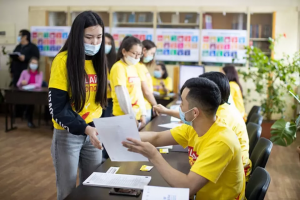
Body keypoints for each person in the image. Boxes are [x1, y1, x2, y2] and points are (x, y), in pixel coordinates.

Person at [123, 77, 245, 200]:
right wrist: (119, 136)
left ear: (195, 113)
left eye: (182, 104)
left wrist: (154, 156)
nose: (179, 108)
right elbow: (156, 137)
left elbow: (188, 187)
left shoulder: (221, 141)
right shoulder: (195, 127)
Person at [48, 11, 107, 200]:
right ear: (77, 36)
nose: (95, 43)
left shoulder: (99, 61)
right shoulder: (63, 61)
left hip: (94, 134)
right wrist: (84, 128)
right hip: (68, 136)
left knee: (92, 187)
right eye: (89, 37)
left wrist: (97, 129)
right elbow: (57, 109)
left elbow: (100, 103)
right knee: (67, 192)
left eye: (99, 37)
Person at [154, 72, 251, 179]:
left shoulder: (222, 120)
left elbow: (190, 184)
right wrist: (167, 111)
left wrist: (154, 156)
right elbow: (191, 115)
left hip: (230, 175)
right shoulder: (219, 109)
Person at [110, 36, 146, 130]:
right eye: (134, 53)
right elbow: (122, 94)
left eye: (140, 54)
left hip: (135, 116)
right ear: (124, 51)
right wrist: (130, 116)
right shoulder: (118, 67)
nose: (137, 57)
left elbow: (138, 92)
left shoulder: (133, 67)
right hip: (122, 116)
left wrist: (143, 113)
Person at [17, 57, 43, 128]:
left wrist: (30, 85)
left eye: (35, 63)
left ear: (38, 65)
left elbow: (39, 84)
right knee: (28, 102)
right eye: (32, 63)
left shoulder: (40, 73)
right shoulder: (24, 72)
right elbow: (18, 83)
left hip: (36, 94)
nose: (34, 65)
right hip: (25, 93)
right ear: (29, 64)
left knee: (31, 103)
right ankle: (28, 119)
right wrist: (22, 82)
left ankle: (29, 120)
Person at [135, 40, 157, 123]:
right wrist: (155, 104)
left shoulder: (142, 66)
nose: (152, 56)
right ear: (144, 50)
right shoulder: (137, 66)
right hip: (142, 107)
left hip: (147, 106)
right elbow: (146, 91)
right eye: (151, 53)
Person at [101, 33, 117, 118]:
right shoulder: (93, 60)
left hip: (110, 98)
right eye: (104, 43)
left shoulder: (114, 61)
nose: (106, 45)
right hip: (96, 99)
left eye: (109, 43)